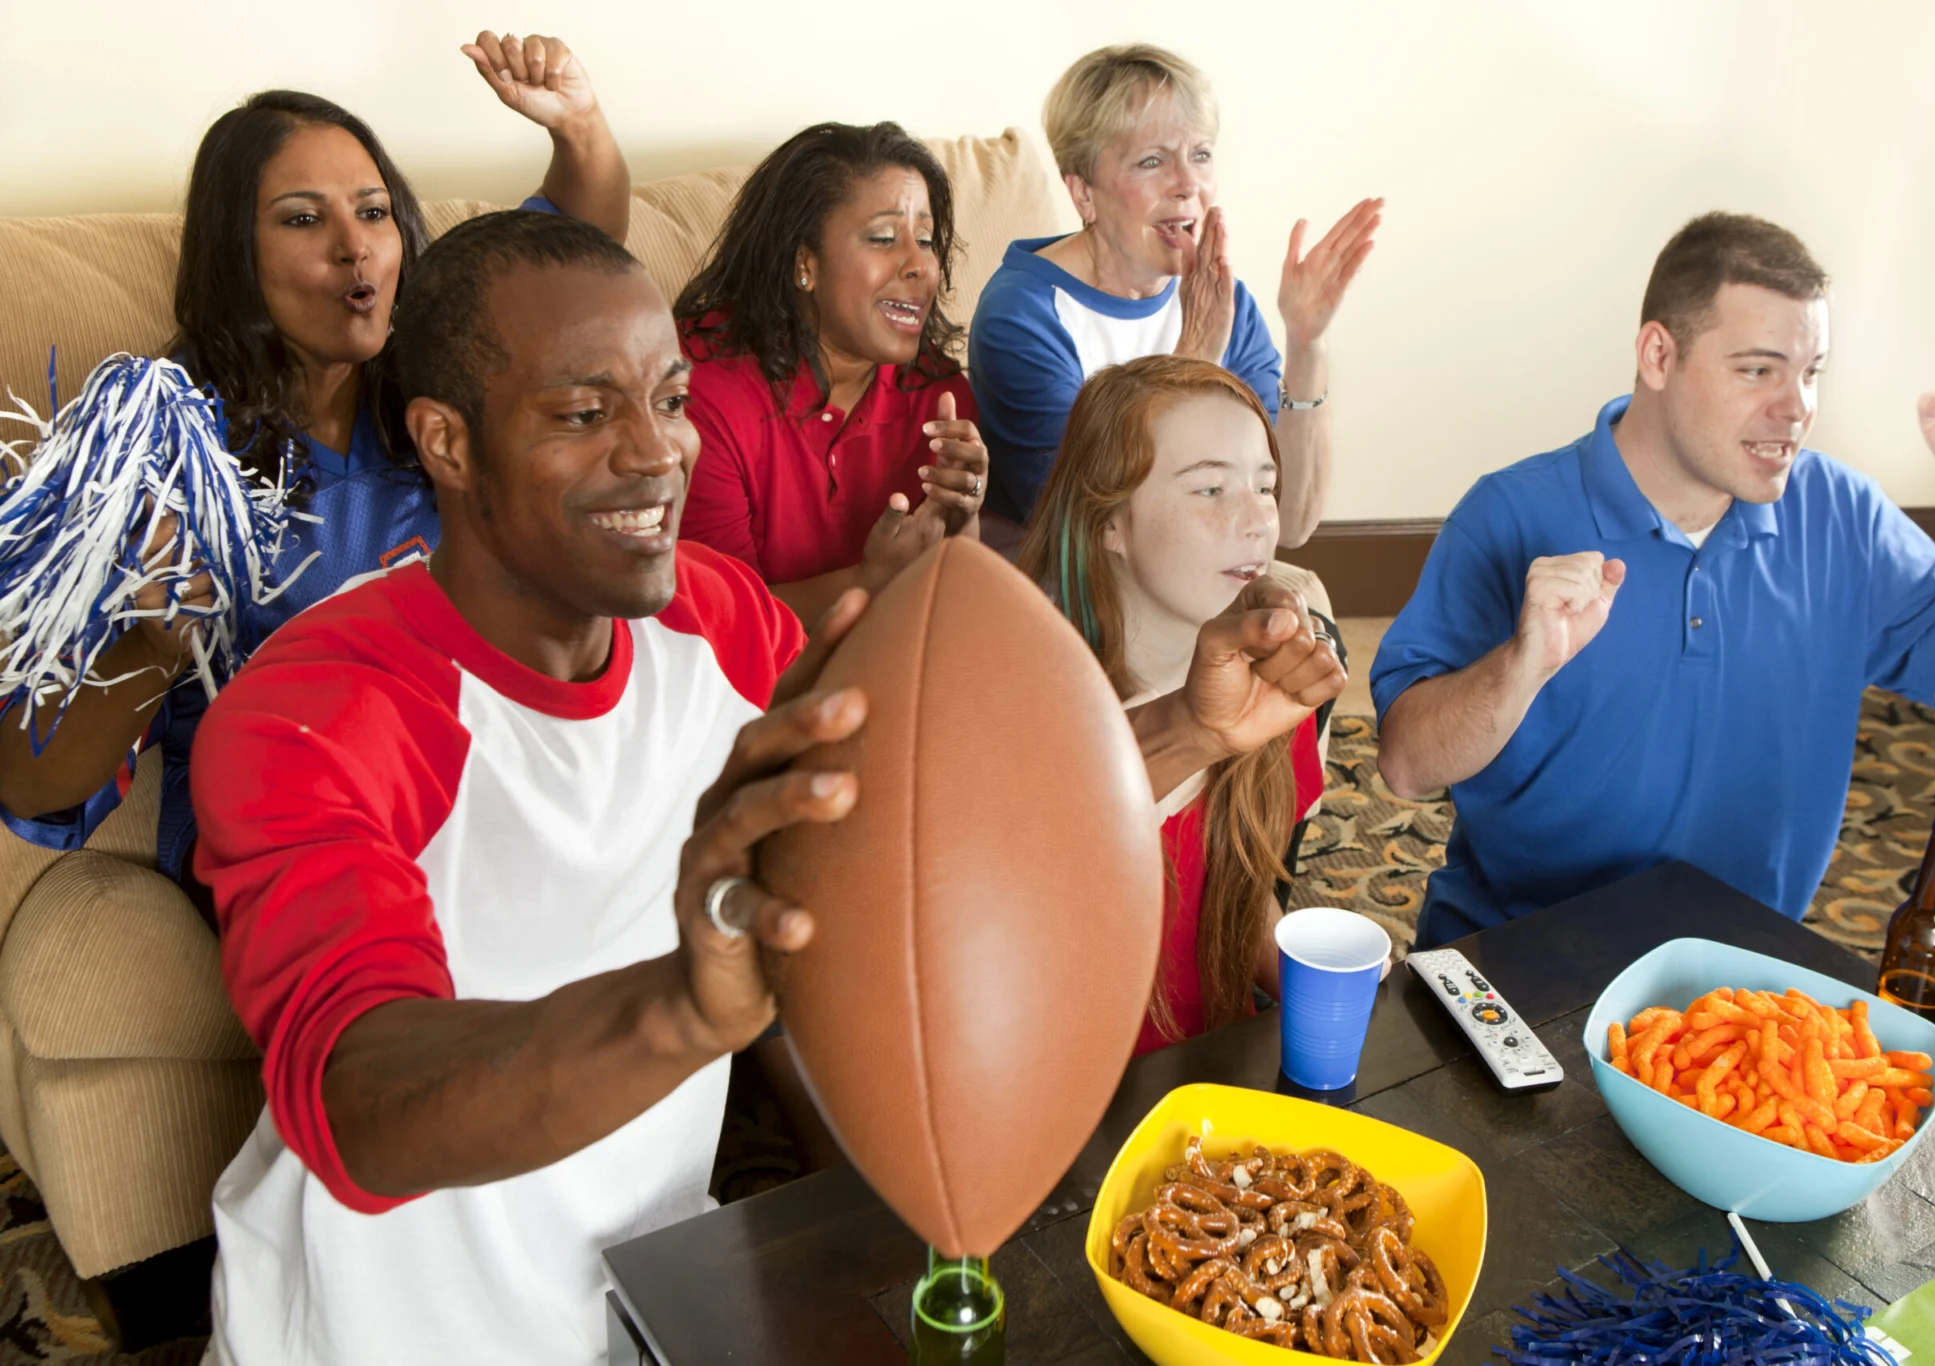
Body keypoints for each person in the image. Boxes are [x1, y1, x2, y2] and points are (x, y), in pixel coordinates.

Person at [188, 210, 1345, 1364]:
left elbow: (928, 839)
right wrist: (685, 1006)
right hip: (387, 1331)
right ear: (445, 442)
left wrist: (1188, 730)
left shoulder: (714, 613)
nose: (656, 454)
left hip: (657, 1282)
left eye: (673, 400)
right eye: (586, 414)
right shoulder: (316, 710)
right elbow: (359, 1100)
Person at [0, 33, 630, 921]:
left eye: (373, 213)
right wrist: (150, 647)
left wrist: (581, 129)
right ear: (236, 256)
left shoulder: (440, 384)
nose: (355, 249)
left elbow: (568, 267)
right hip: (294, 835)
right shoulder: (166, 452)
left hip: (480, 789)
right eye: (303, 219)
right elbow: (32, 783)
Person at [1371, 212, 1935, 948]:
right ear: (1659, 355)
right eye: (1757, 370)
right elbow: (1405, 766)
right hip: (1517, 962)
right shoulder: (1511, 514)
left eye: (1809, 372)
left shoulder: (1841, 514)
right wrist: (1519, 668)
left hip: (1734, 988)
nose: (1797, 409)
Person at [1020, 355, 1340, 1054]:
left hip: (1208, 1076)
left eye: (1265, 485)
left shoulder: (1267, 681)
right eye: (1210, 489)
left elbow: (1236, 876)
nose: (1258, 517)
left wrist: (1309, 983)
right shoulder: (1021, 708)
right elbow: (1017, 902)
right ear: (1109, 522)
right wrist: (1194, 731)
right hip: (1060, 1095)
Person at [970, 43, 1382, 546]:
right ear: (1083, 194)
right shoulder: (1022, 316)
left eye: (1201, 155)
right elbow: (1095, 530)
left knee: (1298, 622)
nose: (1188, 184)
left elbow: (1289, 523)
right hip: (1070, 589)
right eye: (1152, 161)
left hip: (1197, 570)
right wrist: (1195, 358)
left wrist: (1305, 343)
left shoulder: (1222, 301)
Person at [673, 122, 989, 627]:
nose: (919, 266)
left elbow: (957, 606)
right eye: (884, 238)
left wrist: (964, 518)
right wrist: (869, 579)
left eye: (926, 240)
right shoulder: (702, 394)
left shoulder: (940, 395)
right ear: (805, 263)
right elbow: (722, 630)